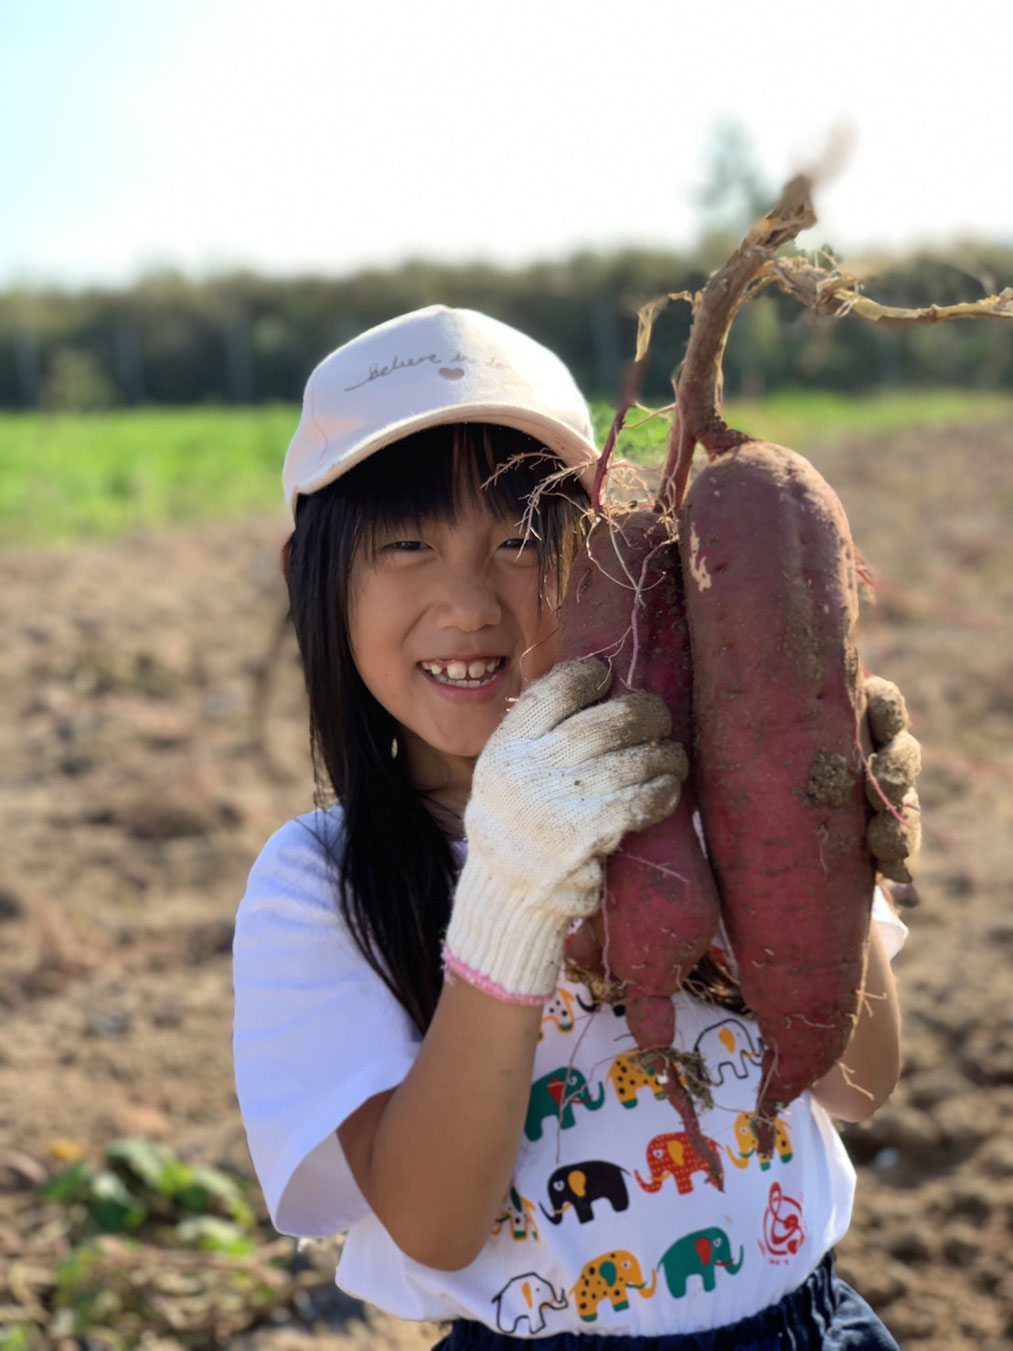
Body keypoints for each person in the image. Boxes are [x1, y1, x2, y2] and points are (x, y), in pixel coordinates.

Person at [232, 305, 916, 1350]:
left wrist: (820, 828)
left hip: (809, 1325)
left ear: (598, 563)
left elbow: (858, 1082)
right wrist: (509, 893)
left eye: (518, 539)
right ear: (307, 575)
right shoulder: (316, 885)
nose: (467, 602)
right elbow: (434, 1224)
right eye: (406, 542)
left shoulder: (700, 800)